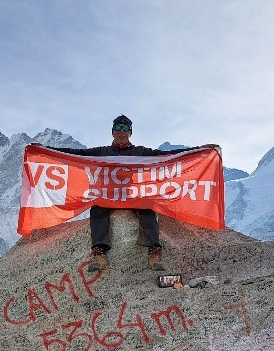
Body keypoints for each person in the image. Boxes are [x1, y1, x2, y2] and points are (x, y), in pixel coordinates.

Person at [42, 115, 201, 272]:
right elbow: (75, 154)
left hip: (130, 195)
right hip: (107, 195)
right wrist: (45, 150)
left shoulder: (140, 152)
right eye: (118, 128)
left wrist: (199, 150)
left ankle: (154, 252)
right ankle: (99, 253)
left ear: (130, 133)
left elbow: (166, 156)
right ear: (112, 132)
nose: (121, 132)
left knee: (149, 206)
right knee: (97, 207)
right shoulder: (102, 152)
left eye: (125, 129)